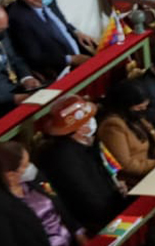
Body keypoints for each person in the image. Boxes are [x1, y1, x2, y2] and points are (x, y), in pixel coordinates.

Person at [0, 142, 85, 246]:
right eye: (25, 166)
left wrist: (80, 234)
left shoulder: (35, 178)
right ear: (10, 175)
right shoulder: (2, 204)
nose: (30, 167)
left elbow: (61, 206)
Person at [33, 95, 126, 231]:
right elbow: (88, 197)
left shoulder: (89, 142)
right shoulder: (63, 158)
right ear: (79, 128)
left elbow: (106, 170)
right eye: (88, 120)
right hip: (99, 221)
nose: (93, 121)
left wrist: (117, 187)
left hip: (113, 203)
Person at [7, 0, 97, 80]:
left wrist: (76, 32)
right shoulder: (19, 19)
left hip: (81, 52)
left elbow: (61, 22)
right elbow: (35, 56)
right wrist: (71, 59)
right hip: (60, 70)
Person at [97, 79, 155, 185]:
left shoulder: (135, 118)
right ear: (125, 106)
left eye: (145, 106)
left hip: (152, 171)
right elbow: (125, 165)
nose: (144, 110)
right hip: (134, 181)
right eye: (140, 107)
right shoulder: (112, 126)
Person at [0, 6, 39, 114]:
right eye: (0, 30)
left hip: (19, 90)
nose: (3, 33)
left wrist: (26, 78)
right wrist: (13, 97)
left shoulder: (2, 33)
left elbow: (15, 58)